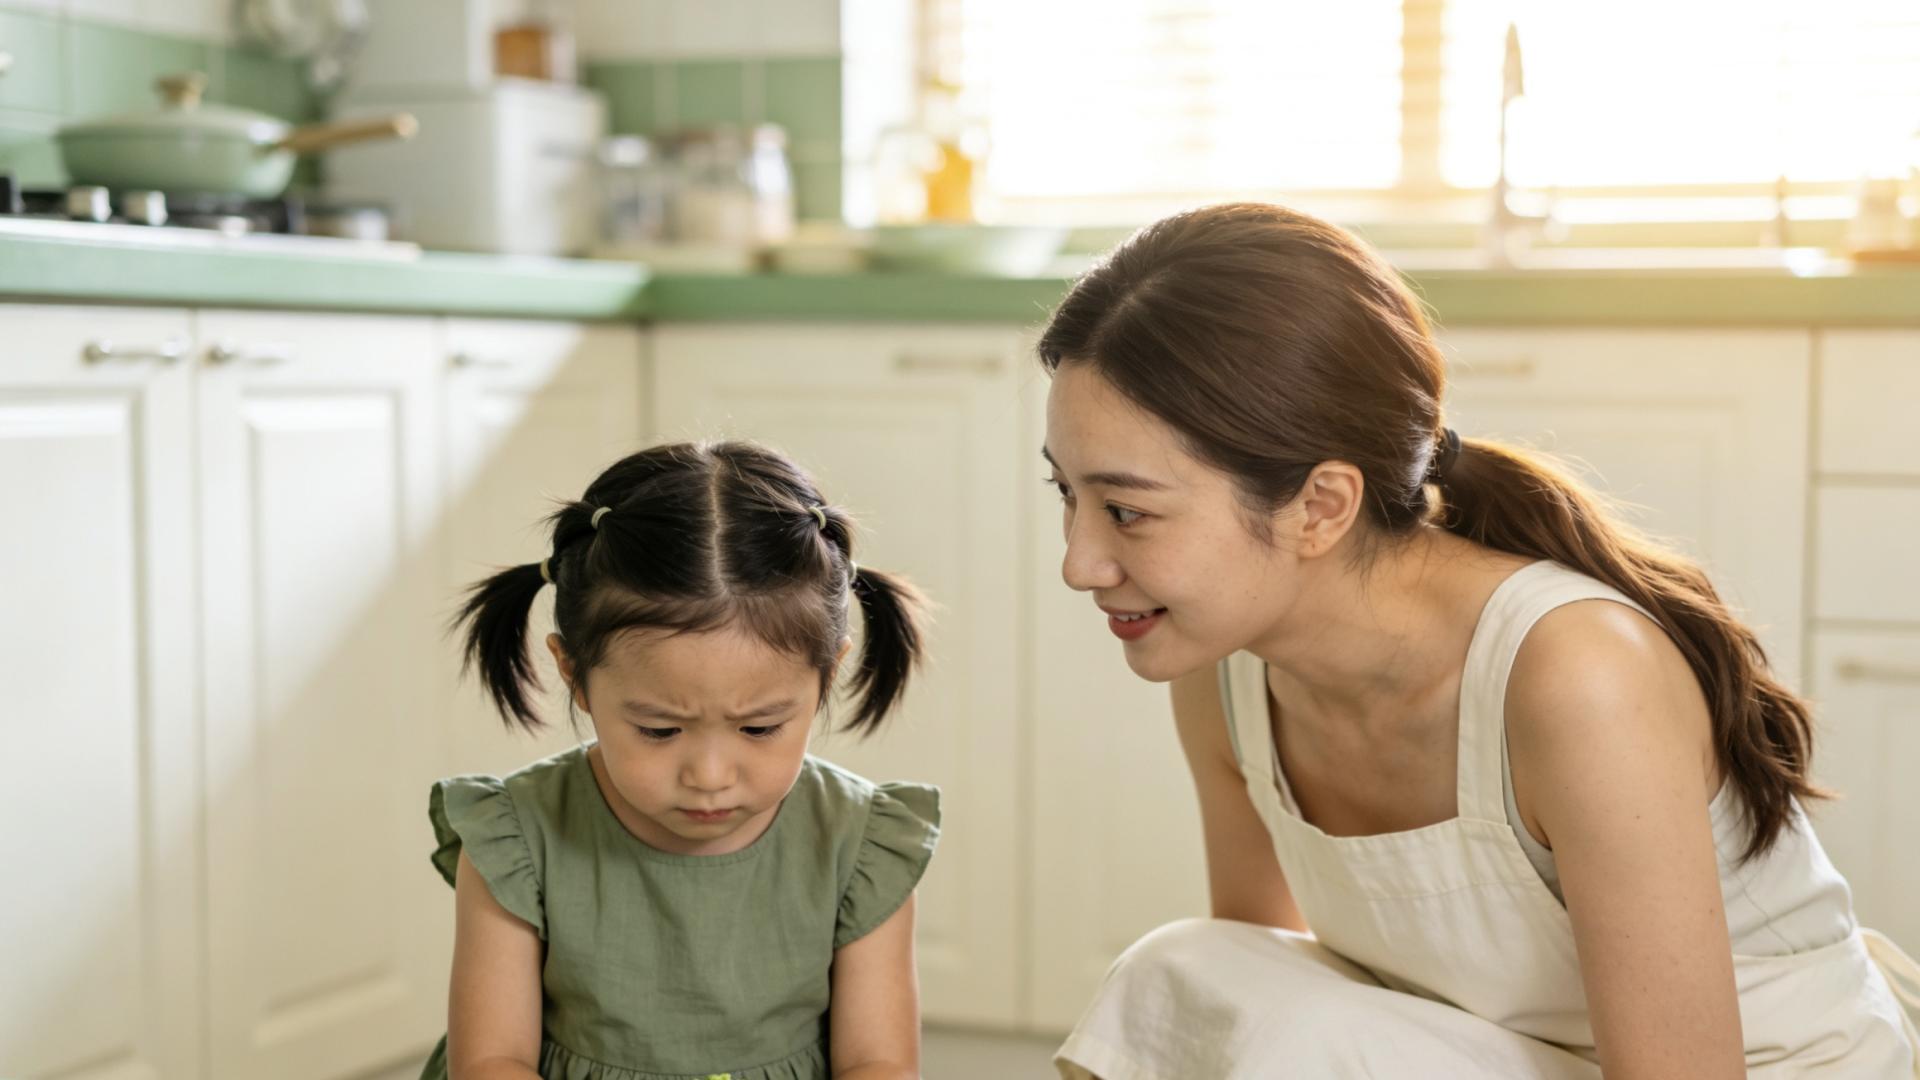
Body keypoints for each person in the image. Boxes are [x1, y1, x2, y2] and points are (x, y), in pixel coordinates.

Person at [1037, 202, 1920, 1078]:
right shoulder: (1226, 670)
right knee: (1186, 979)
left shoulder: (1577, 677)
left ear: (1321, 506)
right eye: (1068, 495)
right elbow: (1236, 1016)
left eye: (1127, 511)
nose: (1080, 563)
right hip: (1505, 1057)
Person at [421, 440, 940, 1080]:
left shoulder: (860, 845)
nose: (710, 776)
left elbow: (877, 1062)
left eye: (759, 728)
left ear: (827, 676)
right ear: (575, 674)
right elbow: (492, 1060)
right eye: (660, 730)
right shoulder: (516, 838)